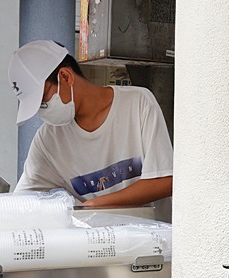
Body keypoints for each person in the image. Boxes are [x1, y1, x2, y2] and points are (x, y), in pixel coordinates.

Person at [9, 40, 173, 218]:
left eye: (43, 101)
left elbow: (165, 180)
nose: (42, 111)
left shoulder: (138, 103)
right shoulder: (49, 140)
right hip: (100, 243)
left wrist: (94, 206)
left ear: (65, 77)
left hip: (157, 241)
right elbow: (21, 202)